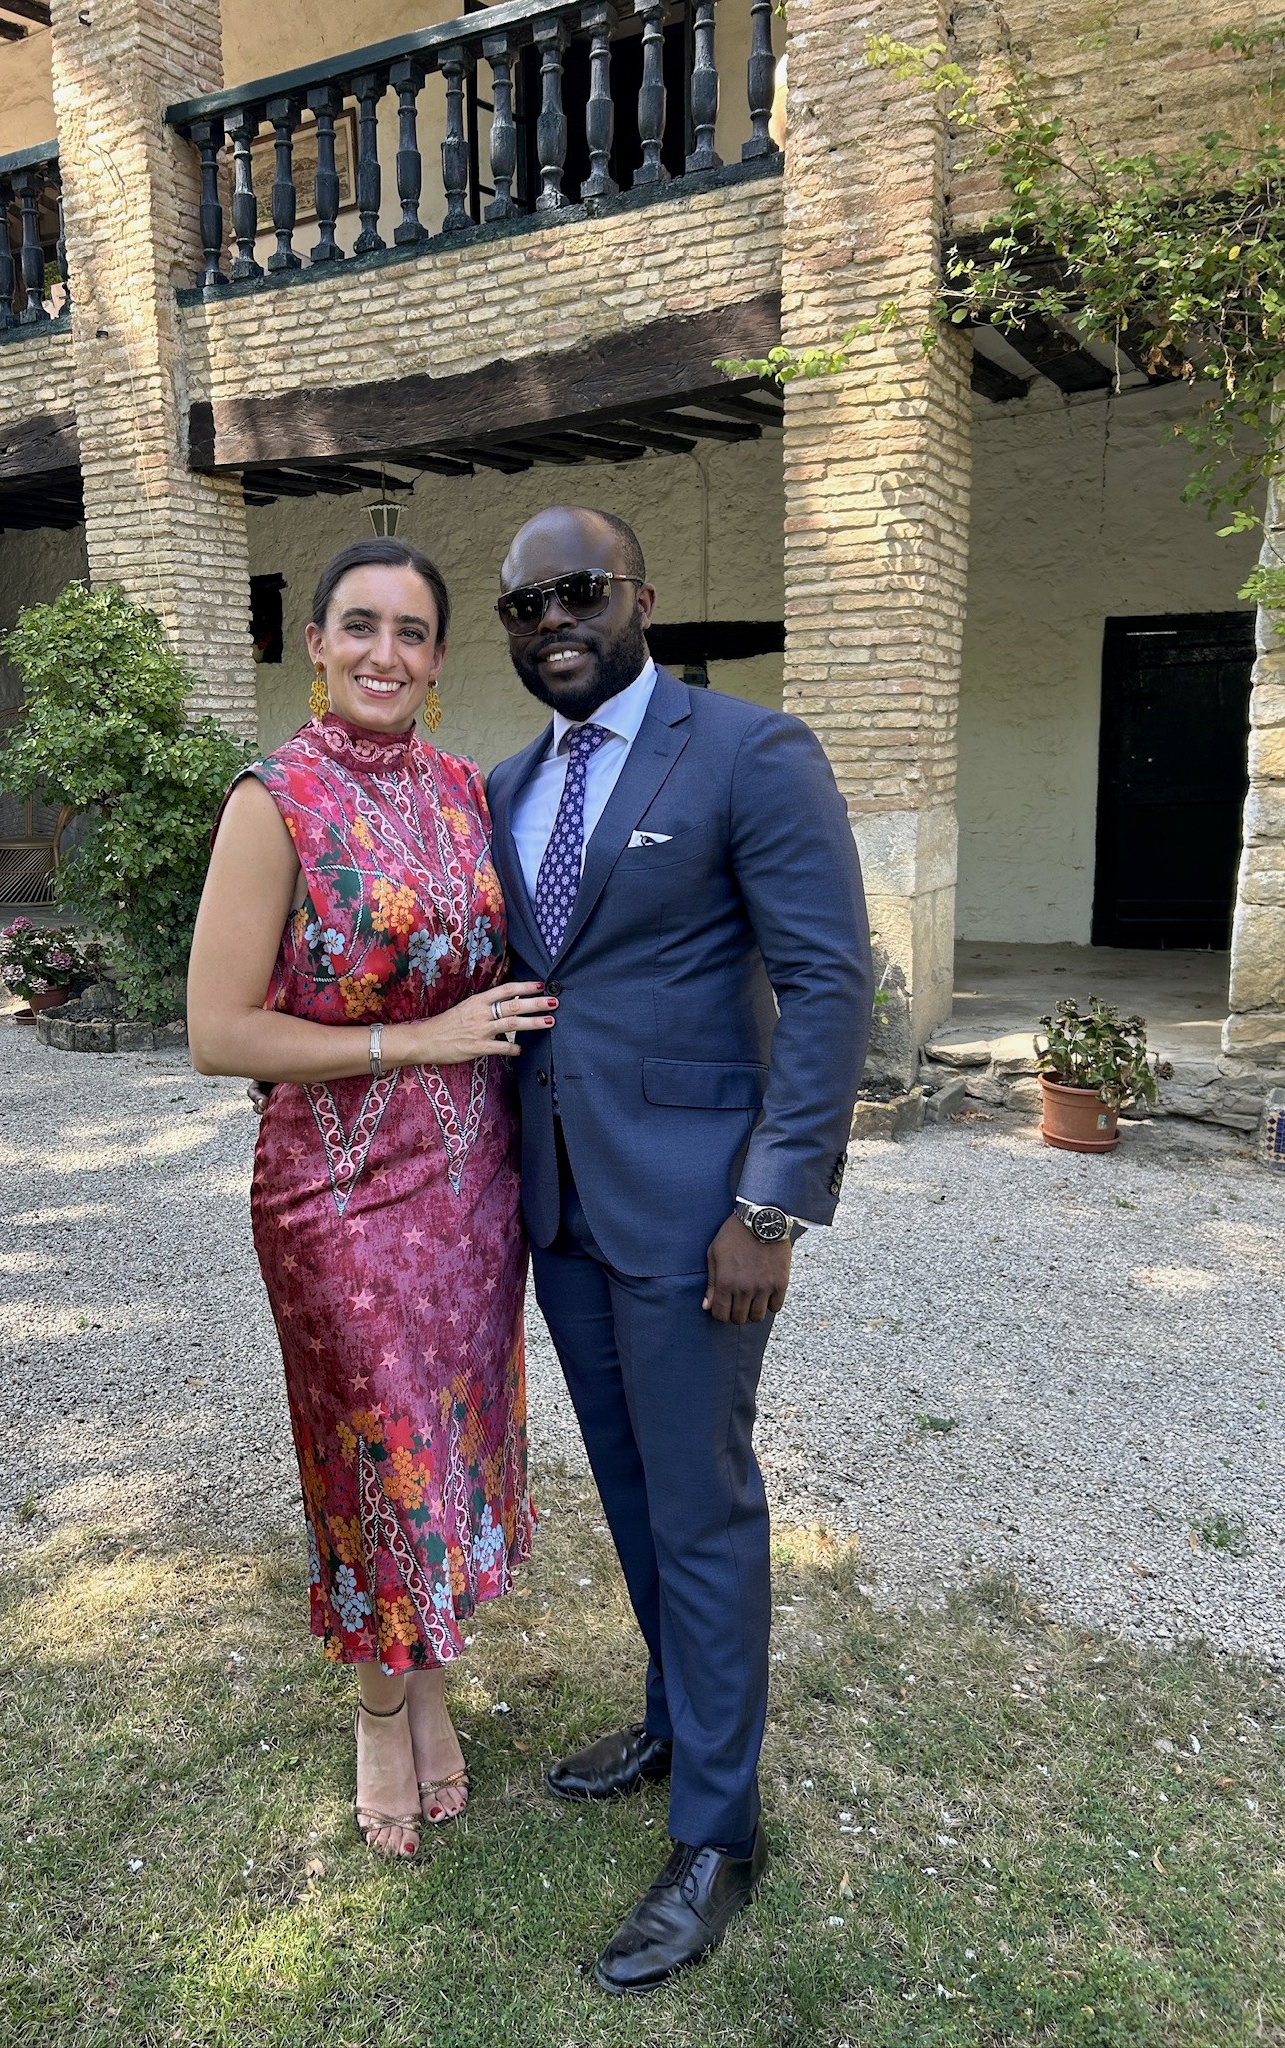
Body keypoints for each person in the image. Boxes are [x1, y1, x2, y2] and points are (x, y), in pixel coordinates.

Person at [484, 506, 872, 1993]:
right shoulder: (513, 783)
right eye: (524, 606)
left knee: (703, 1503)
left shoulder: (748, 752)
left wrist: (771, 1205)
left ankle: (720, 1832)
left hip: (705, 1216)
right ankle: (673, 1717)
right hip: (567, 1206)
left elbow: (830, 980)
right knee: (637, 1486)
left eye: (576, 592)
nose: (550, 622)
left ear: (639, 597)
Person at [187, 538, 555, 1860]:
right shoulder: (273, 800)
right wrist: (420, 1042)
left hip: (471, 1203)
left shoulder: (465, 791)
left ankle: (432, 1685)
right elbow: (219, 1032)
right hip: (339, 1207)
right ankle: (376, 1713)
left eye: (410, 632)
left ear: (439, 659)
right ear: (317, 644)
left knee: (449, 1454)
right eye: (359, 626)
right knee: (378, 1462)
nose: (383, 653)